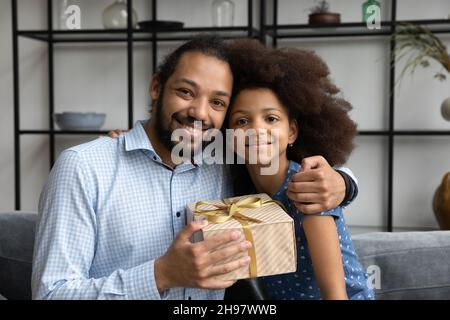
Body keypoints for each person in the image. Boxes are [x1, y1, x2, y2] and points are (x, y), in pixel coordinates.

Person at [32, 36, 359, 300]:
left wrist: (344, 182)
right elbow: (51, 294)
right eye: (186, 92)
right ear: (157, 88)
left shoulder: (224, 163)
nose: (200, 113)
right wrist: (163, 274)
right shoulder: (85, 168)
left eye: (217, 102)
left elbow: (282, 167)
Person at [225, 39, 373, 299]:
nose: (257, 129)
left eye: (271, 118)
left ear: (291, 131)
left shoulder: (308, 187)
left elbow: (335, 295)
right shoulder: (239, 190)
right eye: (242, 120)